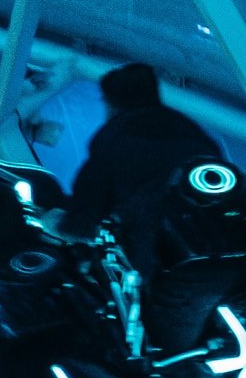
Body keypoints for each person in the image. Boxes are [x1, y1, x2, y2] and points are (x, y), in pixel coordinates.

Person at [66, 60, 227, 266]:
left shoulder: (111, 139)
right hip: (216, 237)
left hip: (162, 251)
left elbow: (87, 209)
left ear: (111, 103)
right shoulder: (188, 129)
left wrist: (63, 226)